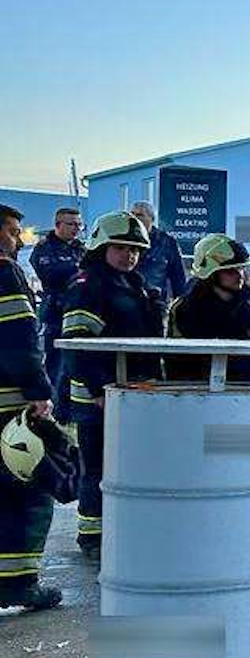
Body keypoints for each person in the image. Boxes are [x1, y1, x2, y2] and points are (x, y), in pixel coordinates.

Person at [60, 212, 164, 562]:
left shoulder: (135, 285)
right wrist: (98, 390)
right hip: (98, 399)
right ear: (101, 246)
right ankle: (93, 536)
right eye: (120, 247)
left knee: (133, 467)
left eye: (134, 249)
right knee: (99, 467)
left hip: (137, 393)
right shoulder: (87, 285)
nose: (129, 255)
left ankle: (124, 528)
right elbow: (77, 343)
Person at [0, 204, 63, 610]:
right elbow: (20, 339)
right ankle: (18, 582)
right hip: (9, 404)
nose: (17, 239)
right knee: (28, 489)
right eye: (10, 231)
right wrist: (39, 391)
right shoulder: (5, 272)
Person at [167, 234, 250, 383]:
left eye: (241, 268)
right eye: (230, 271)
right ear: (210, 274)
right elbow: (176, 362)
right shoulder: (185, 308)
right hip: (201, 392)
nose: (240, 276)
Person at [29, 205, 84, 412]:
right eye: (71, 224)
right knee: (56, 365)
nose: (76, 229)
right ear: (58, 225)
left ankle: (70, 408)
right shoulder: (44, 248)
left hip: (78, 312)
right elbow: (51, 275)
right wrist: (77, 271)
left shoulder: (81, 248)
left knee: (76, 364)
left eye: (79, 225)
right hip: (56, 313)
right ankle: (57, 408)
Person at [128, 202, 188, 305]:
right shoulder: (126, 241)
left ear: (151, 218)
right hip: (129, 301)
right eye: (132, 214)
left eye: (139, 215)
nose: (134, 218)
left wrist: (181, 305)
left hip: (156, 303)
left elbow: (178, 278)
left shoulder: (167, 242)